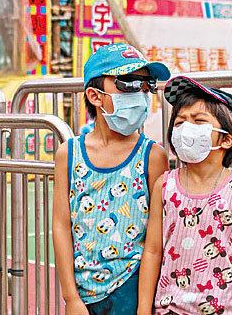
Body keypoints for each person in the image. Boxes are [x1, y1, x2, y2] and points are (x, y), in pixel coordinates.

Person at [52, 45, 171, 315]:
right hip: (84, 292)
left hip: (132, 287)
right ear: (95, 95)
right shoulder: (68, 154)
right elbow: (61, 224)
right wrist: (71, 297)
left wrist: (143, 305)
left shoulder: (152, 156)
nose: (140, 94)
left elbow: (156, 237)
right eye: (127, 83)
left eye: (146, 85)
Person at [138, 78, 232, 315]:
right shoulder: (165, 185)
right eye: (180, 122)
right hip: (168, 309)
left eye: (199, 121)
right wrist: (144, 310)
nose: (186, 128)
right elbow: (152, 250)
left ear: (226, 138)